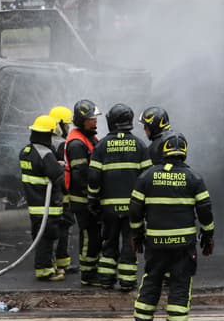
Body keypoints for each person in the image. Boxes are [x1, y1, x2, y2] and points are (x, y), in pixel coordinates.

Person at [130, 132, 215, 321]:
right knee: (180, 281)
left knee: (152, 278)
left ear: (163, 150)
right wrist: (208, 235)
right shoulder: (194, 178)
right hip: (183, 245)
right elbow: (205, 210)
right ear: (184, 151)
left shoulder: (147, 176)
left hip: (156, 243)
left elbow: (134, 208)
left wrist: (137, 234)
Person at [88, 103, 151, 290]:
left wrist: (93, 199)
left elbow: (93, 176)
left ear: (112, 122)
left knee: (109, 242)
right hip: (133, 208)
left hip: (108, 208)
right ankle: (127, 281)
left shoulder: (101, 146)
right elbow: (148, 177)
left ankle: (106, 280)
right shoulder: (140, 145)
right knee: (130, 242)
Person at [20, 115, 66, 281]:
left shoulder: (26, 151)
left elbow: (39, 170)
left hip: (34, 204)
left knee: (40, 236)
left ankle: (47, 266)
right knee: (47, 237)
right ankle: (45, 271)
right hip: (47, 205)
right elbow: (58, 176)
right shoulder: (46, 153)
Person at [66, 99, 103, 286]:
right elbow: (81, 176)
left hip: (89, 197)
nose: (95, 121)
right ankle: (88, 275)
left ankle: (92, 269)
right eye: (91, 118)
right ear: (82, 120)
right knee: (89, 235)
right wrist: (91, 197)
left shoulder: (89, 137)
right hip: (83, 199)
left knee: (95, 234)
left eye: (95, 117)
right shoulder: (76, 144)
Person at [49, 105, 77, 275]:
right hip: (61, 196)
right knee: (63, 228)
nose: (68, 128)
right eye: (66, 125)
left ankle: (58, 263)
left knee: (54, 230)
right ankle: (60, 264)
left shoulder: (46, 142)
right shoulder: (60, 145)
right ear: (59, 124)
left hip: (50, 196)